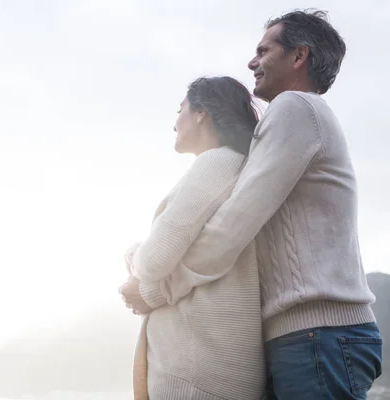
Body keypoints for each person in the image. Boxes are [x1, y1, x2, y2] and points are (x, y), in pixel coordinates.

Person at [121, 9, 383, 400]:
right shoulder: (292, 120)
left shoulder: (295, 107)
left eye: (264, 50)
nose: (252, 62)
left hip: (319, 335)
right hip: (309, 336)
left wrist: (157, 289)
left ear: (299, 57)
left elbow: (233, 227)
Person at [121, 76, 265, 400]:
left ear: (201, 113)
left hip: (194, 375)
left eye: (181, 109)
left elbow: (155, 260)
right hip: (218, 370)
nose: (175, 121)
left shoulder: (216, 162)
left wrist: (131, 254)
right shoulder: (242, 167)